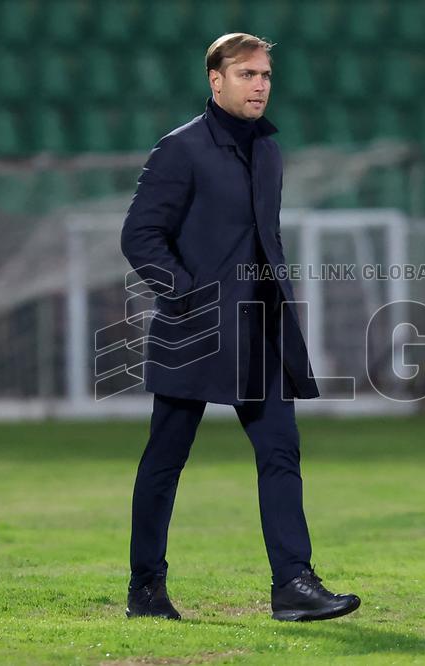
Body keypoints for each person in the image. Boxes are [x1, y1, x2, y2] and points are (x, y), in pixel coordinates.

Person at [120, 33, 360, 622]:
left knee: (281, 451)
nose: (260, 85)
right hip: (196, 331)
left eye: (266, 76)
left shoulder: (269, 151)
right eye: (248, 74)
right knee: (165, 461)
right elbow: (139, 237)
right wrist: (188, 295)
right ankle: (146, 588)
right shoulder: (180, 149)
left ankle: (293, 585)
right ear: (216, 79)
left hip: (261, 331)